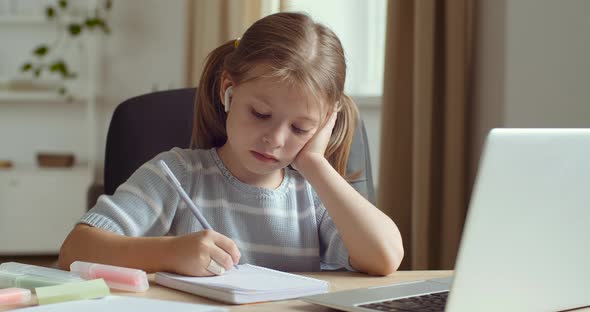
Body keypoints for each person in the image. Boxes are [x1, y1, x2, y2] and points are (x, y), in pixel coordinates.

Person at [58, 12, 403, 277]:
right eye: (260, 113)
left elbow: (385, 258)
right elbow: (74, 250)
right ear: (229, 91)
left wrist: (314, 163)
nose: (276, 139)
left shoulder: (313, 195)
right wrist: (169, 253)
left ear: (325, 124)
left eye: (300, 127)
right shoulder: (178, 174)